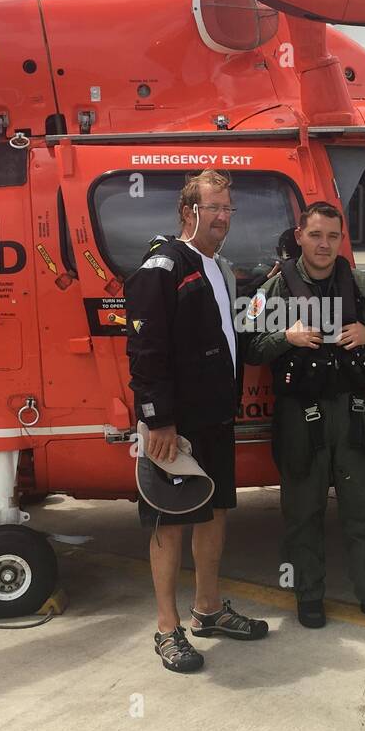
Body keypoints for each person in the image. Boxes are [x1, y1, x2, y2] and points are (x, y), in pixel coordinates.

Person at [124, 169, 269, 673]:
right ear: (190, 212)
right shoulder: (163, 265)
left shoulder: (217, 267)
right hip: (175, 425)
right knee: (170, 519)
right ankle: (167, 629)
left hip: (214, 417)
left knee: (214, 511)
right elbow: (145, 348)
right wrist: (158, 421)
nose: (224, 218)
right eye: (215, 209)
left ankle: (208, 609)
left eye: (229, 209)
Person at [246, 202, 365, 630]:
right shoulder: (276, 290)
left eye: (332, 236)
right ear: (299, 236)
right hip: (302, 414)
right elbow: (249, 346)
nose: (323, 244)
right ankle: (309, 595)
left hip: (354, 413)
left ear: (341, 240)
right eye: (315, 235)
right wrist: (286, 336)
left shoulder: (359, 284)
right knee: (302, 511)